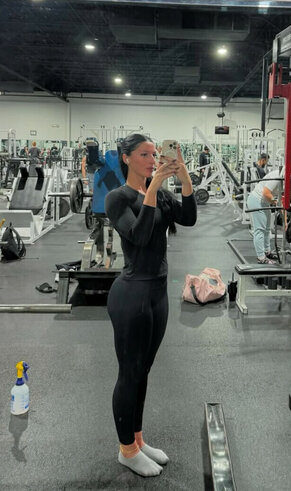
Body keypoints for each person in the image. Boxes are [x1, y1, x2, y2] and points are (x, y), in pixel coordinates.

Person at [104, 134, 196, 477]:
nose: (152, 159)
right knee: (130, 373)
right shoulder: (118, 197)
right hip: (132, 295)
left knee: (143, 371)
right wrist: (154, 186)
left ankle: (137, 441)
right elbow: (139, 236)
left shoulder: (162, 194)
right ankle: (126, 451)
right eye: (144, 154)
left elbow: (189, 218)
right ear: (126, 158)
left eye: (154, 154)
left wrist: (183, 176)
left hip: (158, 294)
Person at [248, 158, 291, 264]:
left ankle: (267, 252)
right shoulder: (277, 176)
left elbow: (283, 201)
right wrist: (275, 202)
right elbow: (266, 193)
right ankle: (261, 257)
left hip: (265, 202)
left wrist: (285, 221)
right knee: (260, 230)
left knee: (267, 229)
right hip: (256, 200)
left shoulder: (285, 179)